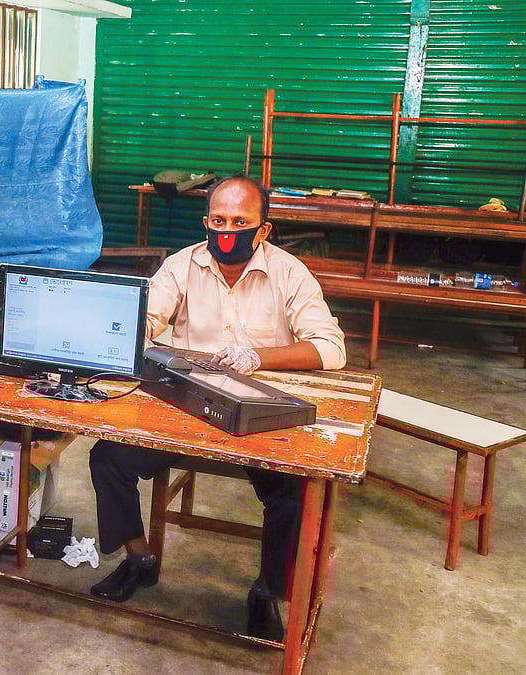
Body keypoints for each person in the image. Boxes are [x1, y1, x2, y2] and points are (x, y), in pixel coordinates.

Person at [87, 175, 346, 640]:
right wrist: (136, 331)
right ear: (206, 222)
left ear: (263, 230)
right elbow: (148, 314)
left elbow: (331, 349)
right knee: (108, 457)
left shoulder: (289, 273)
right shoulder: (181, 265)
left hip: (260, 414)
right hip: (187, 404)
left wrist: (258, 357)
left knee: (295, 490)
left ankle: (267, 590)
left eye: (241, 222)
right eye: (219, 220)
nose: (228, 231)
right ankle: (139, 558)